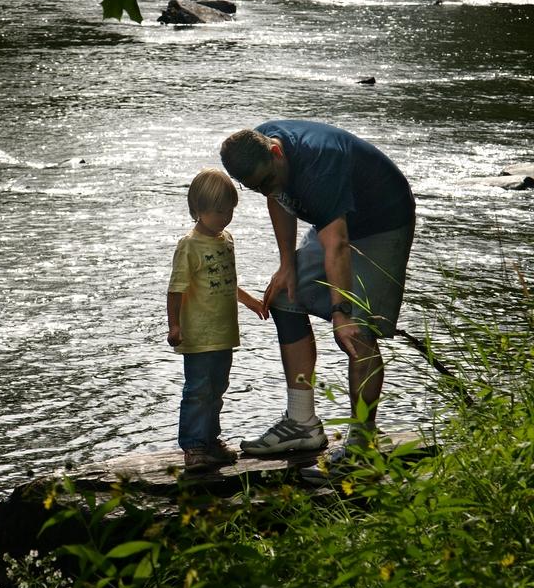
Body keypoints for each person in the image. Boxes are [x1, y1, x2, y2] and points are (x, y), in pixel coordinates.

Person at [220, 120, 415, 462]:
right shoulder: (263, 149)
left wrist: (341, 313)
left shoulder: (317, 165)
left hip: (382, 222)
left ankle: (363, 441)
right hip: (335, 221)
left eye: (267, 180)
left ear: (276, 152)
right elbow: (278, 198)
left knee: (359, 329)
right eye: (255, 187)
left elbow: (337, 245)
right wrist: (286, 265)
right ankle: (301, 422)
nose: (265, 189)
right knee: (284, 296)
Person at [167, 167, 268, 471]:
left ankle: (211, 440)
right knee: (198, 389)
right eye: (218, 212)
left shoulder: (226, 240)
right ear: (197, 210)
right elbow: (176, 289)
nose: (225, 217)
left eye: (230, 211)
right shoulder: (189, 245)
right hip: (198, 334)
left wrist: (250, 301)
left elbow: (226, 281)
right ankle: (194, 447)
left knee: (217, 388)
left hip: (224, 332)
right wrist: (174, 325)